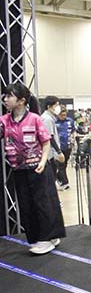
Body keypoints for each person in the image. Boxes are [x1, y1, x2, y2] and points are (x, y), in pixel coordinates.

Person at [1, 83, 66, 254]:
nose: (5, 99)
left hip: (38, 169)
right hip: (18, 169)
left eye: (9, 96)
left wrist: (43, 162)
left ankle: (46, 238)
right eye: (4, 96)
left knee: (43, 204)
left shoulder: (35, 119)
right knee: (26, 205)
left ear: (21, 100)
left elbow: (46, 143)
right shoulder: (4, 121)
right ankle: (40, 238)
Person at [40, 96, 66, 182]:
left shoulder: (50, 118)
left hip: (51, 153)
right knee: (51, 178)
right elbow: (49, 137)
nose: (58, 107)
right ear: (49, 106)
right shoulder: (47, 119)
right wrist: (59, 152)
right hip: (49, 154)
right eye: (56, 105)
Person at [55, 105, 74, 190]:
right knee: (60, 165)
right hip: (58, 147)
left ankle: (62, 181)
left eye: (65, 115)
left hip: (68, 146)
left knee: (64, 164)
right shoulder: (55, 122)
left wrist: (73, 138)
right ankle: (64, 182)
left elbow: (73, 131)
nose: (63, 116)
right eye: (61, 115)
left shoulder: (70, 121)